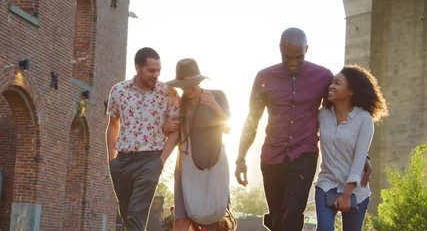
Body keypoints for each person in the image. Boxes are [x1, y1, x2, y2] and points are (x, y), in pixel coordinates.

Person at [234, 27, 372, 231]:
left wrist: (363, 155)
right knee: (277, 219)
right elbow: (252, 120)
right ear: (280, 48)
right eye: (287, 57)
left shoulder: (322, 76)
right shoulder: (264, 77)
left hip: (304, 154)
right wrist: (241, 159)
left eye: (298, 57)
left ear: (307, 49)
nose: (292, 63)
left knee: (292, 215)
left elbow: (340, 117)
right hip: (272, 157)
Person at [106, 47, 180, 231]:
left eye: (158, 70)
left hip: (150, 160)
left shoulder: (168, 93)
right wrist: (111, 159)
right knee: (126, 214)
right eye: (151, 70)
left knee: (136, 213)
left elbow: (177, 131)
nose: (156, 75)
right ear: (138, 68)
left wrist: (160, 161)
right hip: (122, 161)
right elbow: (113, 124)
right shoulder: (118, 91)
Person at [164, 58, 236, 231]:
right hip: (186, 167)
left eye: (192, 83)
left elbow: (228, 129)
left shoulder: (217, 95)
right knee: (181, 219)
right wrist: (166, 127)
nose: (188, 89)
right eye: (184, 84)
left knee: (212, 222)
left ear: (199, 81)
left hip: (214, 166)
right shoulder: (179, 104)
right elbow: (173, 135)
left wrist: (214, 107)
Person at [315, 65, 388, 231]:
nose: (331, 86)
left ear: (350, 91)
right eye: (331, 82)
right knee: (324, 229)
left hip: (356, 191)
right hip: (327, 183)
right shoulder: (322, 115)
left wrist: (347, 194)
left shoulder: (364, 119)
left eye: (337, 83)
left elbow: (359, 158)